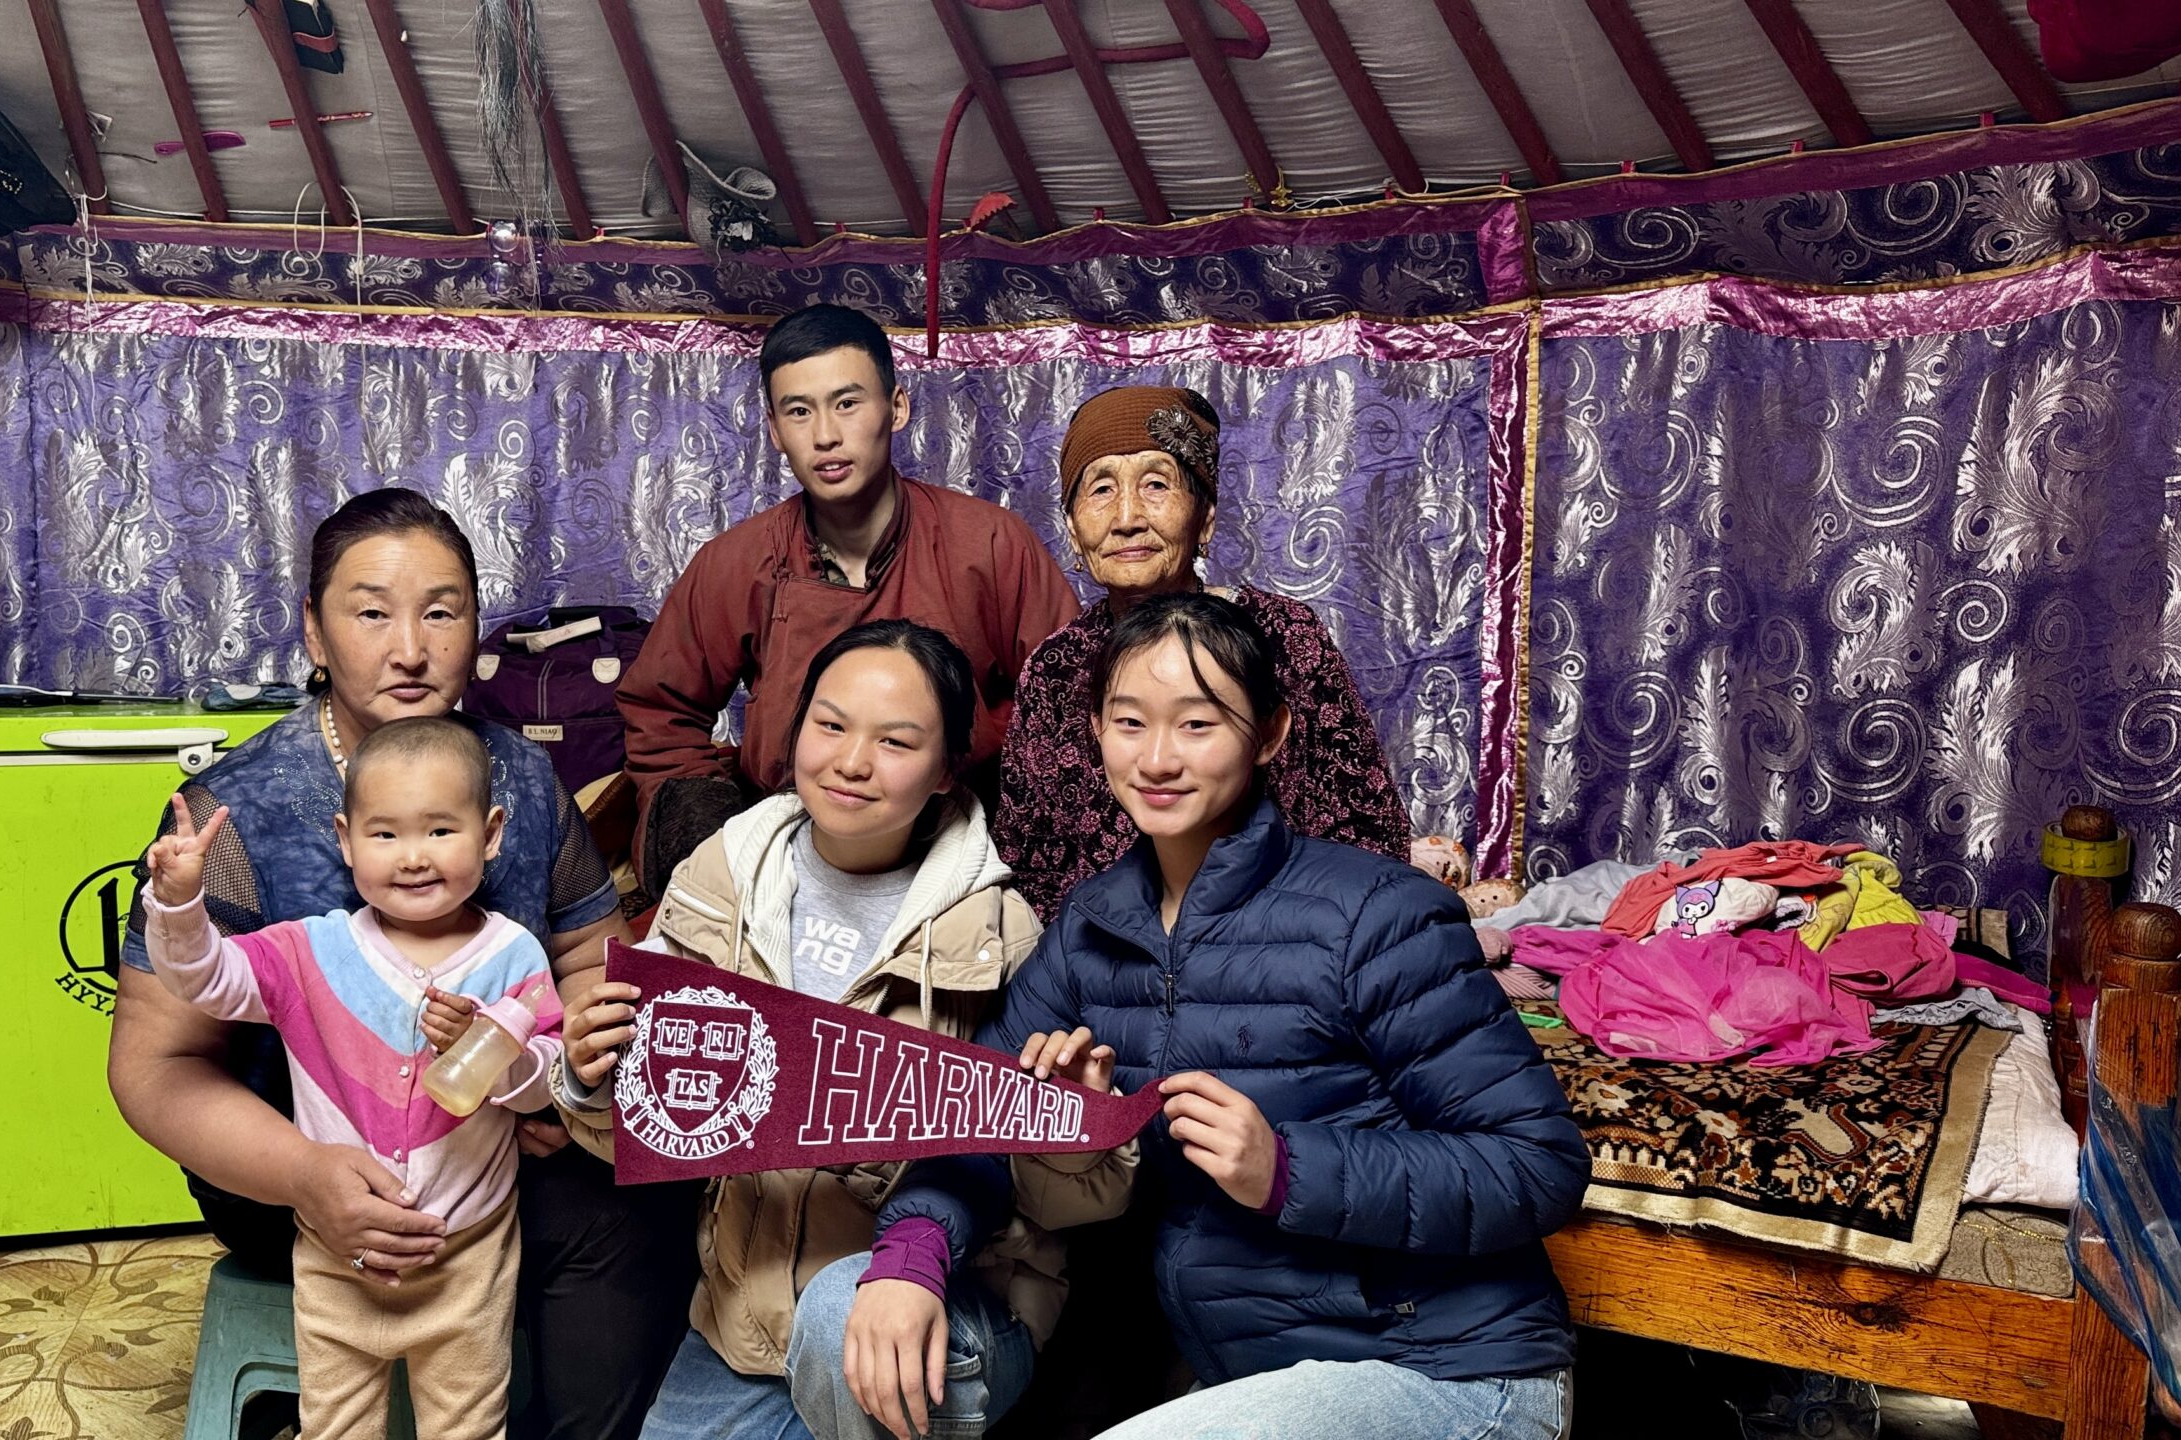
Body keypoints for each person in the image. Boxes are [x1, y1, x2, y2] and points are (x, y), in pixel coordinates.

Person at [879, 593, 1587, 1439]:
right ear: (1096, 730)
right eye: (1130, 721)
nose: (1158, 758)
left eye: (1198, 724)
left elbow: (1538, 1163)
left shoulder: (1376, 912)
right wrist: (913, 1250)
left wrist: (1286, 1170)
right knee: (853, 1322)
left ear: (1271, 734)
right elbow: (975, 1112)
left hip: (1447, 1368)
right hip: (1241, 1380)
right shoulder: (1089, 928)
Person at [107, 488, 698, 1440]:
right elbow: (152, 1069)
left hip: (492, 1154)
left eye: (442, 609)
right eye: (371, 611)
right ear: (314, 630)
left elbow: (591, 961)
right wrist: (304, 1174)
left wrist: (561, 1082)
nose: (411, 648)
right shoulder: (234, 812)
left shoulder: (517, 780)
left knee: (635, 1210)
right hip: (293, 1172)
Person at [560, 621, 1131, 1440]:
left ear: (944, 772)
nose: (852, 760)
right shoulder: (717, 879)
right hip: (744, 1322)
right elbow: (650, 1131)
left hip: (947, 1308)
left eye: (896, 741)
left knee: (838, 1314)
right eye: (830, 725)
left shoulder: (999, 931)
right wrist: (589, 1079)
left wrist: (1070, 1133)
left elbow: (1058, 1196)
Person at [142, 717, 561, 1440]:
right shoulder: (310, 951)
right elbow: (205, 979)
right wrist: (180, 903)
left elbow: (542, 1085)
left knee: (470, 1427)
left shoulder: (513, 956)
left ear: (490, 834)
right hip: (338, 1258)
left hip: (468, 1260)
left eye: (440, 831)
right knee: (335, 1426)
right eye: (385, 833)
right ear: (346, 840)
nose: (413, 857)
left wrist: (496, 1049)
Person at [618, 303, 1079, 897]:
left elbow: (1068, 697)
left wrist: (991, 803)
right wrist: (714, 839)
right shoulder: (736, 562)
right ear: (774, 429)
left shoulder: (988, 543)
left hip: (962, 837)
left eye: (847, 402)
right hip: (791, 842)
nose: (826, 435)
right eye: (799, 411)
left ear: (897, 406)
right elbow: (659, 713)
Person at [995, 384, 1408, 925]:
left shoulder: (1282, 637)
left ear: (1206, 518)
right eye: (1100, 489)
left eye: (1156, 484)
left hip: (1280, 951)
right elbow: (1027, 861)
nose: (1126, 518)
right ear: (1073, 530)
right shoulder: (1057, 667)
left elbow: (1365, 830)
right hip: (1104, 960)